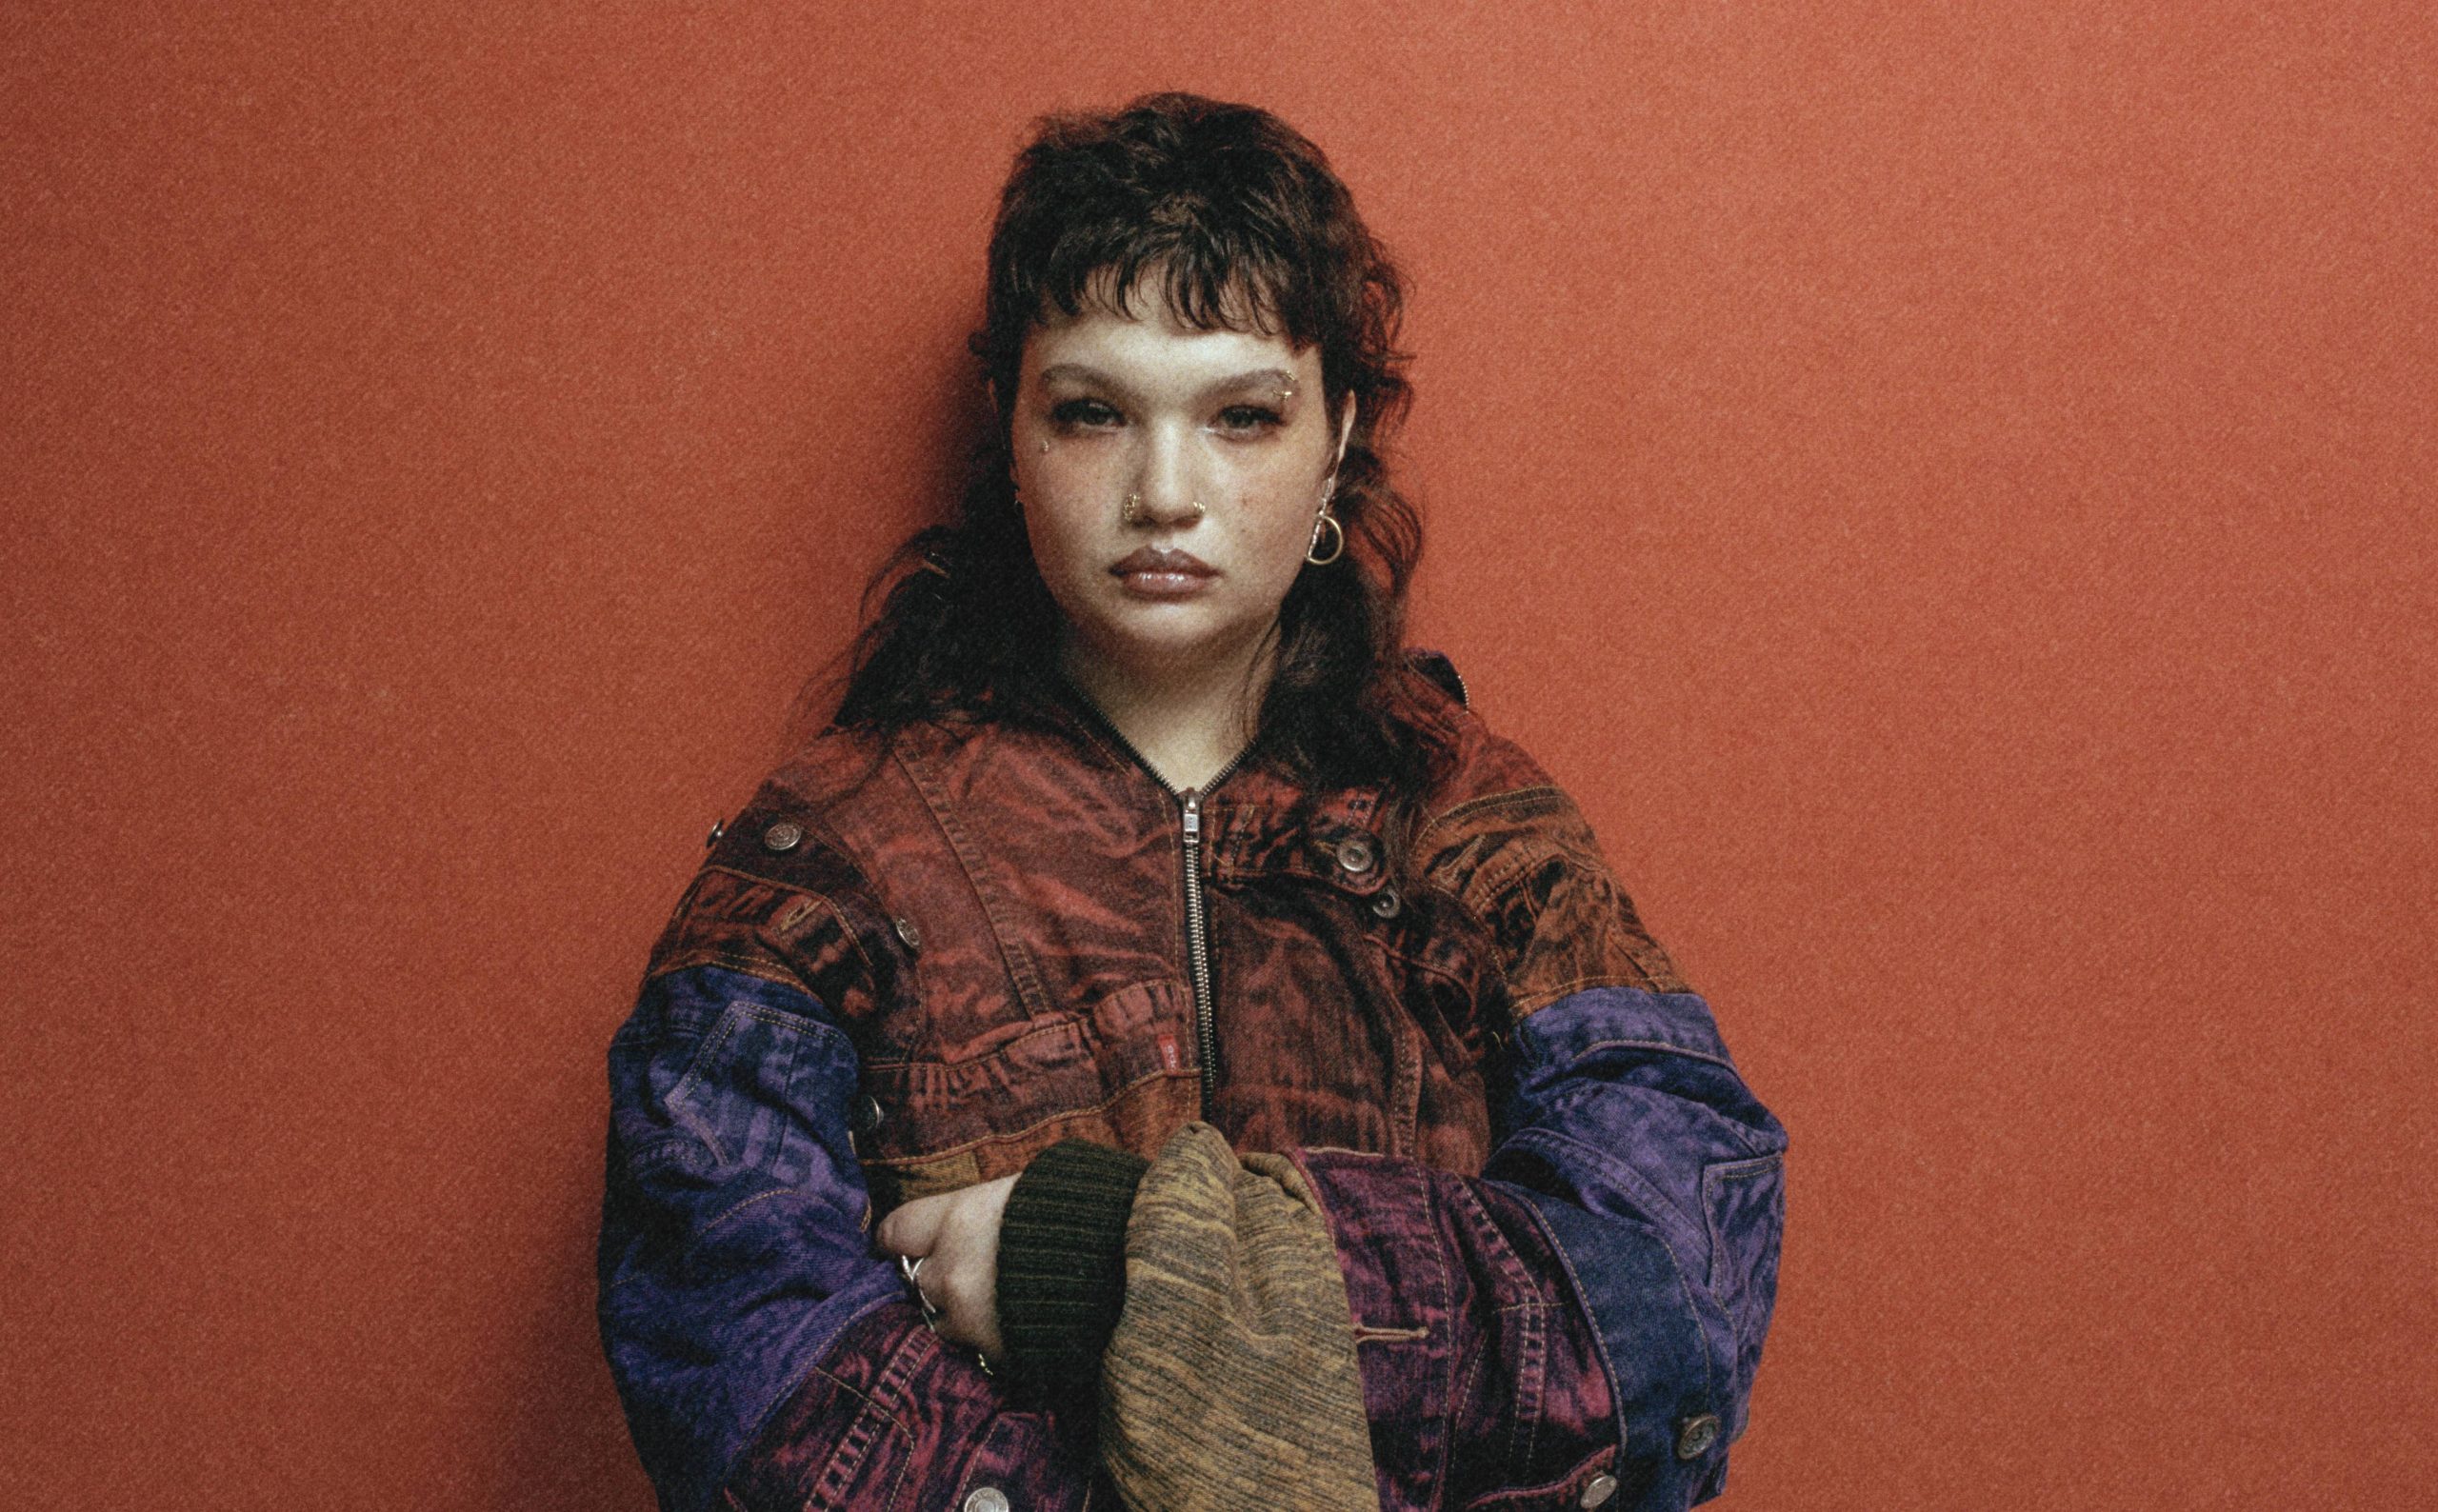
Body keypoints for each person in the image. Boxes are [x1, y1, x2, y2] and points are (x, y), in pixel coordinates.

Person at [598, 92, 1786, 1512]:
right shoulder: (828, 865)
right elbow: (749, 1382)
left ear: (1336, 438)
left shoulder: (1474, 832)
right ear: (1011, 430)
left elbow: (1675, 1297)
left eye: (1241, 417)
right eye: (1094, 413)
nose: (1165, 492)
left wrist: (1118, 1258)